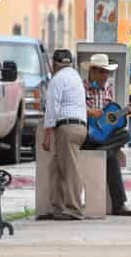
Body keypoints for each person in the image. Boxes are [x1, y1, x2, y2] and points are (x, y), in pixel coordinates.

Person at [82, 53, 131, 216]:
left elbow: (109, 119)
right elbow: (75, 108)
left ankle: (103, 152)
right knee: (111, 159)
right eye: (103, 72)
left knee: (125, 135)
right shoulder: (81, 87)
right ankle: (119, 205)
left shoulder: (108, 89)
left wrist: (126, 112)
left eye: (107, 72)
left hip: (103, 138)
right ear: (92, 71)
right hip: (87, 134)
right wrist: (90, 112)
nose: (106, 76)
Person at [41, 49, 87, 220]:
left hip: (67, 128)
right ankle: (57, 207)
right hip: (79, 127)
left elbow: (52, 108)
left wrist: (47, 134)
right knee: (56, 167)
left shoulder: (57, 79)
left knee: (70, 169)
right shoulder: (75, 77)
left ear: (54, 63)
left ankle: (74, 208)